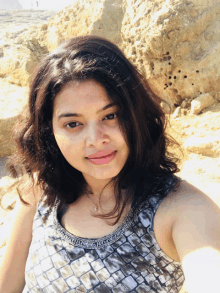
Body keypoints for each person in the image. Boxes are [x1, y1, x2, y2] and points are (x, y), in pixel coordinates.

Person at [0, 35, 219, 293]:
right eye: (73, 124)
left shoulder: (179, 207)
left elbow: (209, 269)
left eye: (111, 116)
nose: (95, 140)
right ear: (50, 131)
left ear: (136, 114)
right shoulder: (40, 190)